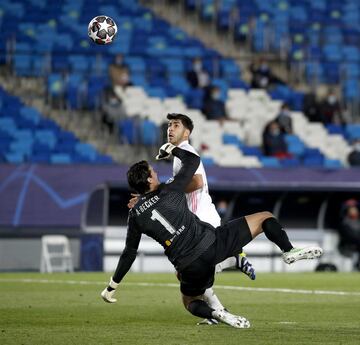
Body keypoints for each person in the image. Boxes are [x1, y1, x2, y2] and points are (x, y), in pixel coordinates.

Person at [101, 143, 323, 328]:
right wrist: (171, 149)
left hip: (187, 264)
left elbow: (129, 253)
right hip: (212, 244)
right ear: (149, 180)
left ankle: (216, 314)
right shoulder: (170, 189)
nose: (156, 173)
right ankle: (288, 250)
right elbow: (192, 162)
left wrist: (112, 286)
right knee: (265, 217)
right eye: (153, 171)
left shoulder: (135, 215)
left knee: (189, 301)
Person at [128, 113, 255, 325]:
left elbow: (195, 183)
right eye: (169, 125)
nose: (170, 129)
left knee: (190, 271)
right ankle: (218, 311)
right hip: (199, 219)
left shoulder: (185, 152)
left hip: (201, 218)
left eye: (176, 125)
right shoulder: (180, 157)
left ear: (186, 133)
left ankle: (234, 260)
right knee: (188, 274)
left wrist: (161, 190)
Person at [338, 199, 360, 270]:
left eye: (355, 209)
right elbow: (350, 237)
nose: (354, 211)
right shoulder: (344, 223)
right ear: (347, 211)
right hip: (347, 246)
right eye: (351, 209)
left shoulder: (358, 221)